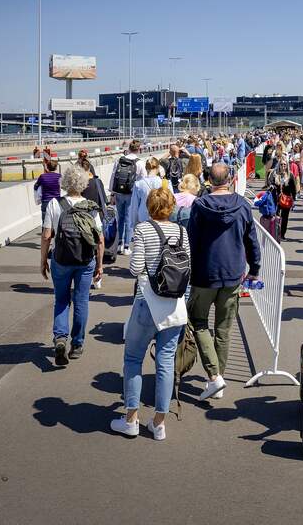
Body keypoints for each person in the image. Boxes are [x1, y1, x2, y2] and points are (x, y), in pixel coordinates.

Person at [111, 186, 188, 441]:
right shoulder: (181, 231)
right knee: (165, 364)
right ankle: (158, 423)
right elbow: (188, 268)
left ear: (149, 207)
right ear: (171, 208)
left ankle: (131, 419)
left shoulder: (143, 229)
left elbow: (134, 269)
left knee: (133, 359)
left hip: (147, 302)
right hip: (174, 306)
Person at [186, 162, 261, 402]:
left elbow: (191, 240)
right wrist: (255, 269)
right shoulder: (242, 205)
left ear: (209, 179)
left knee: (198, 322)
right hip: (232, 273)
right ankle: (217, 378)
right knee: (224, 329)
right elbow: (251, 240)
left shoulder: (200, 206)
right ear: (229, 179)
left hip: (204, 273)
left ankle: (214, 375)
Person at [39, 164, 103, 366]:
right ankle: (77, 344)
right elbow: (100, 239)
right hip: (85, 261)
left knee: (61, 300)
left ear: (65, 183)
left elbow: (47, 236)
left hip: (61, 259)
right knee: (81, 301)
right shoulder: (90, 206)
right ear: (84, 183)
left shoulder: (54, 204)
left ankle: (60, 339)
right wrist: (100, 265)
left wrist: (43, 261)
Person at [110, 140, 146, 255]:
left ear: (129, 148)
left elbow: (113, 177)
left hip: (119, 193)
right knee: (128, 219)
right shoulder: (140, 163)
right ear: (138, 149)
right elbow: (143, 180)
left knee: (120, 218)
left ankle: (119, 244)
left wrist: (112, 193)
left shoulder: (119, 160)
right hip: (131, 194)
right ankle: (126, 247)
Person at [127, 157, 166, 236]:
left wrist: (134, 224)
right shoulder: (164, 183)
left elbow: (134, 206)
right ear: (158, 168)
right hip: (161, 217)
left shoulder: (139, 184)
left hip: (144, 218)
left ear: (146, 168)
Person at [266, 157, 299, 240]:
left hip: (286, 199)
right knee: (276, 216)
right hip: (276, 198)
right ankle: (275, 232)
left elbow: (293, 188)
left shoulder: (290, 175)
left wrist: (294, 199)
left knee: (285, 217)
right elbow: (269, 181)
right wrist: (271, 185)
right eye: (281, 164)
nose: (283, 166)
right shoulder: (275, 173)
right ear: (279, 165)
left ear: (287, 165)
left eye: (284, 164)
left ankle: (282, 234)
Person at [33, 157, 61, 225]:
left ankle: (45, 235)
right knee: (57, 222)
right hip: (56, 201)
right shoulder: (59, 176)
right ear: (56, 168)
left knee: (45, 223)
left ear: (47, 167)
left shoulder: (42, 177)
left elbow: (35, 186)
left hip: (46, 201)